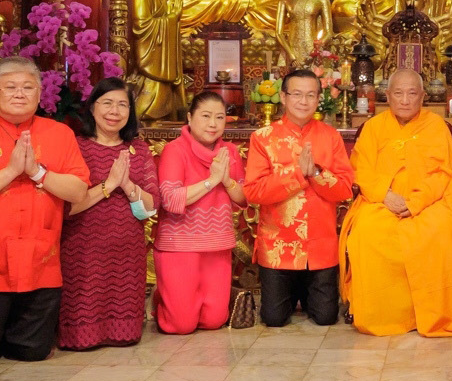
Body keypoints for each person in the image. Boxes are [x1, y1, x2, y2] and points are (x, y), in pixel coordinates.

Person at [0, 57, 91, 367]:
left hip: (39, 261)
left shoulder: (60, 134)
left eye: (28, 87)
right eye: (11, 87)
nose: (19, 94)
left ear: (40, 94)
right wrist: (12, 171)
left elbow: (78, 190)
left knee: (32, 354)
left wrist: (37, 172)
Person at [339, 69, 452, 337]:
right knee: (368, 233)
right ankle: (385, 315)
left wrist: (416, 202)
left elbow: (444, 173)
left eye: (412, 93)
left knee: (440, 231)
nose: (405, 99)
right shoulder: (374, 127)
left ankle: (431, 314)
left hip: (429, 201)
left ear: (423, 97)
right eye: (398, 93)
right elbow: (361, 170)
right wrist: (385, 195)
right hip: (381, 200)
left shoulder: (436, 126)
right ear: (388, 96)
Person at [244, 66, 354, 327]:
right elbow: (254, 191)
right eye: (296, 94)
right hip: (278, 246)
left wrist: (315, 172)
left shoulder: (331, 137)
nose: (303, 101)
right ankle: (291, 294)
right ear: (283, 98)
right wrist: (297, 175)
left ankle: (306, 294)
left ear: (319, 99)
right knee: (274, 319)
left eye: (310, 95)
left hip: (320, 245)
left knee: (326, 318)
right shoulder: (262, 138)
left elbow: (345, 189)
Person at [60, 78, 158, 350]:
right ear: (92, 108)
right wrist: (109, 185)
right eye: (107, 103)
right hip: (82, 248)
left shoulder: (139, 151)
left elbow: (151, 205)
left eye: (122, 105)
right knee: (81, 328)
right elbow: (67, 207)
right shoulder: (76, 147)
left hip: (127, 251)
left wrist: (127, 185)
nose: (114, 111)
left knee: (124, 337)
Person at [152, 91, 247, 334]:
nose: (213, 124)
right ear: (190, 117)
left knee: (214, 321)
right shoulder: (175, 150)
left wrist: (226, 181)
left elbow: (244, 199)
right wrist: (212, 181)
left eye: (219, 117)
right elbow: (172, 200)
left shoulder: (230, 152)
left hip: (217, 245)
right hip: (179, 245)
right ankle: (163, 300)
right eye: (205, 116)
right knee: (180, 326)